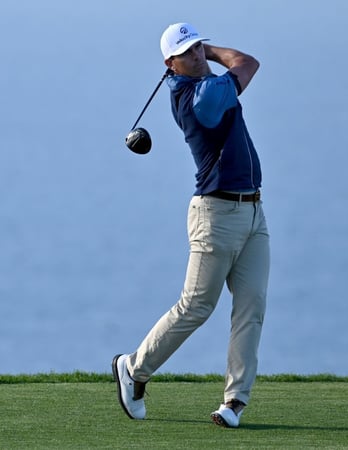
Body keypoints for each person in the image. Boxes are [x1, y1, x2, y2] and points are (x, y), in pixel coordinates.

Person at [112, 22, 270, 428]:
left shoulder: (203, 84)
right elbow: (248, 62)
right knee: (196, 305)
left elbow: (238, 68)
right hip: (216, 216)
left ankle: (234, 403)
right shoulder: (201, 96)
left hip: (253, 212)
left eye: (199, 47)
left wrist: (202, 52)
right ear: (171, 64)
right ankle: (134, 368)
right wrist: (217, 52)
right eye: (188, 51)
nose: (198, 54)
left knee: (250, 308)